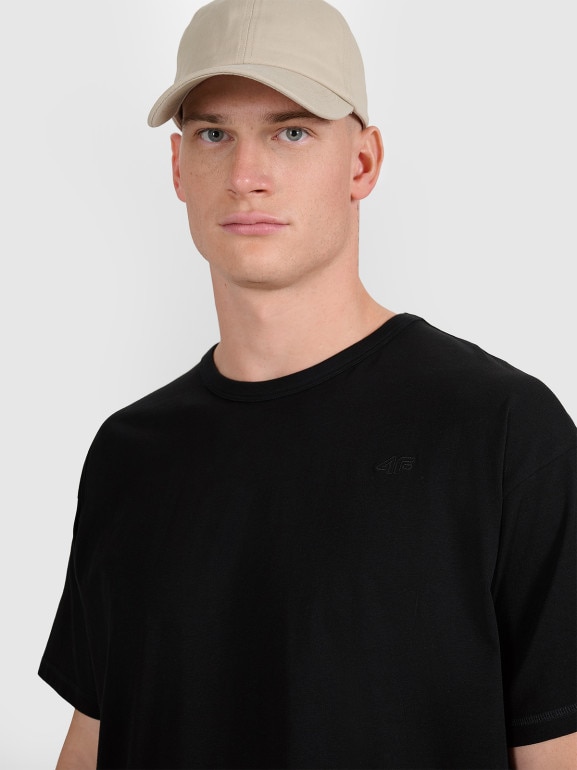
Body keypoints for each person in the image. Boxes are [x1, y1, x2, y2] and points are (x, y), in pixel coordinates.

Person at [39, 1, 576, 768]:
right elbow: (95, 738)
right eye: (214, 134)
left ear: (361, 163)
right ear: (178, 168)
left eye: (290, 132)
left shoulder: (502, 434)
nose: (245, 176)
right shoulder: (129, 455)